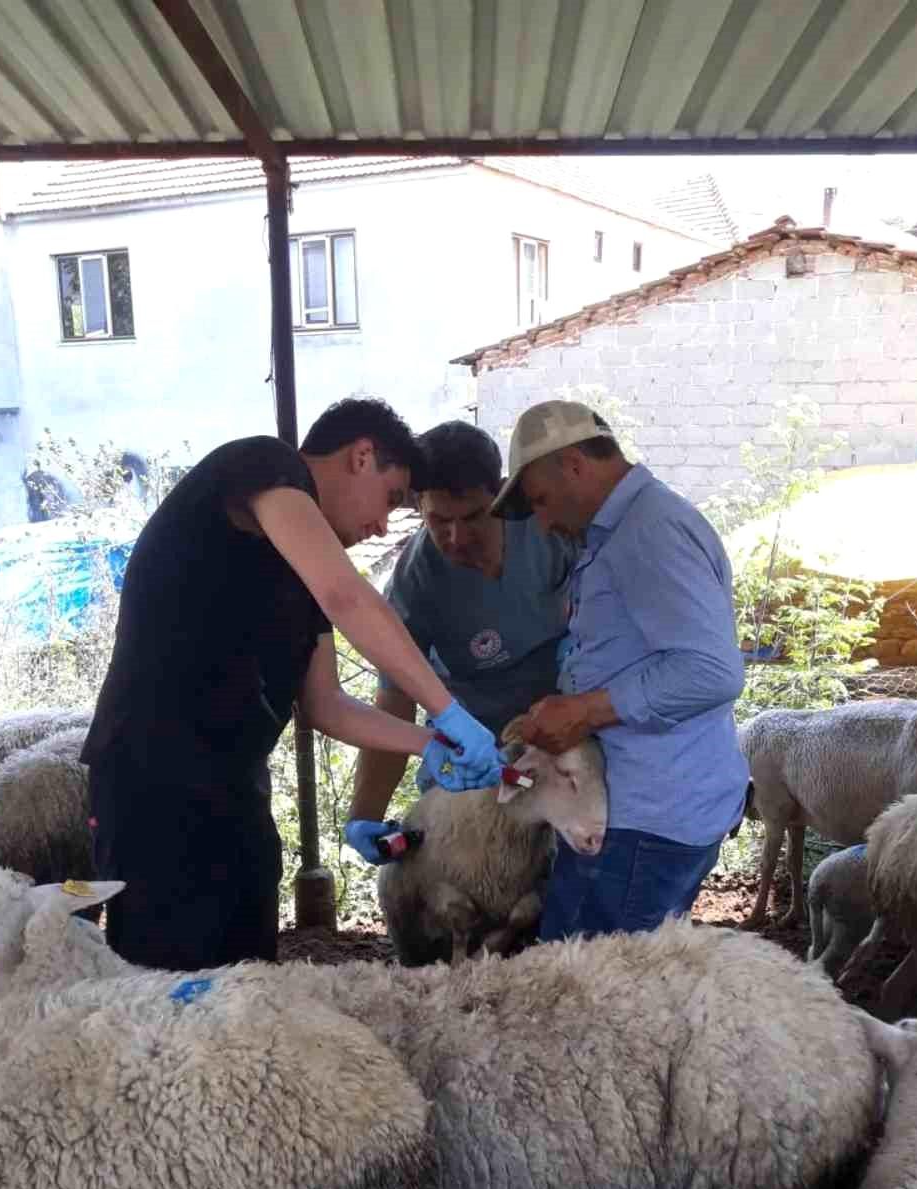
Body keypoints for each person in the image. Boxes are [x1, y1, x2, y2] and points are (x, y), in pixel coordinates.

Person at [80, 399, 503, 971]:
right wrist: (447, 708)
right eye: (391, 499)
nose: (382, 525)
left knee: (248, 972)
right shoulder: (262, 465)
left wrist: (428, 741)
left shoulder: (302, 574)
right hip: (154, 781)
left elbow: (327, 706)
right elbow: (348, 595)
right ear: (361, 456)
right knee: (166, 975)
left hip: (233, 787)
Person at [491, 398, 749, 940]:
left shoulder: (649, 532)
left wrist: (584, 711)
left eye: (539, 501)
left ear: (575, 466)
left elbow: (710, 670)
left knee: (590, 1002)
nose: (542, 521)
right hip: (641, 811)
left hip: (643, 824)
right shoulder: (626, 529)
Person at [345, 420, 575, 862]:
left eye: (474, 517)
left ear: (504, 495)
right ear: (418, 507)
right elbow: (394, 700)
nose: (456, 537)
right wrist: (365, 814)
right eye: (439, 521)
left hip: (563, 737)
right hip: (475, 765)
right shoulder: (416, 581)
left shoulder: (550, 533)